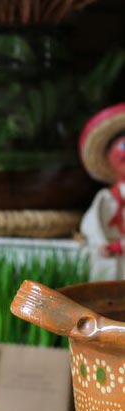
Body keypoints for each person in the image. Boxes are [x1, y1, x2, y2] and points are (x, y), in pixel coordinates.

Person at [78, 103, 125, 280]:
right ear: (108, 156)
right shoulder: (107, 198)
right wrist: (102, 244)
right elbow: (92, 225)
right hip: (113, 260)